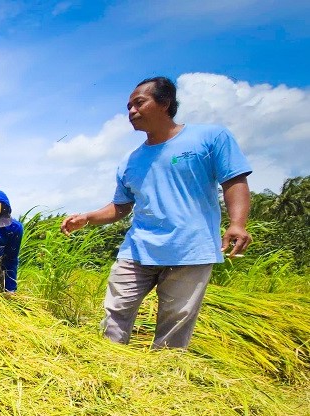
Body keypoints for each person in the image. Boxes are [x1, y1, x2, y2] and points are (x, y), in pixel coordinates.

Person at [61, 76, 252, 349]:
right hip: (139, 249)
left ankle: (164, 379)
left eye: (139, 103)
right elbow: (121, 206)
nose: (131, 112)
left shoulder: (209, 138)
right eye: (128, 107)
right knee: (115, 311)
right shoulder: (131, 161)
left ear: (165, 103)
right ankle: (109, 367)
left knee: (175, 321)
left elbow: (234, 180)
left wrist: (238, 223)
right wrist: (87, 217)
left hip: (190, 249)